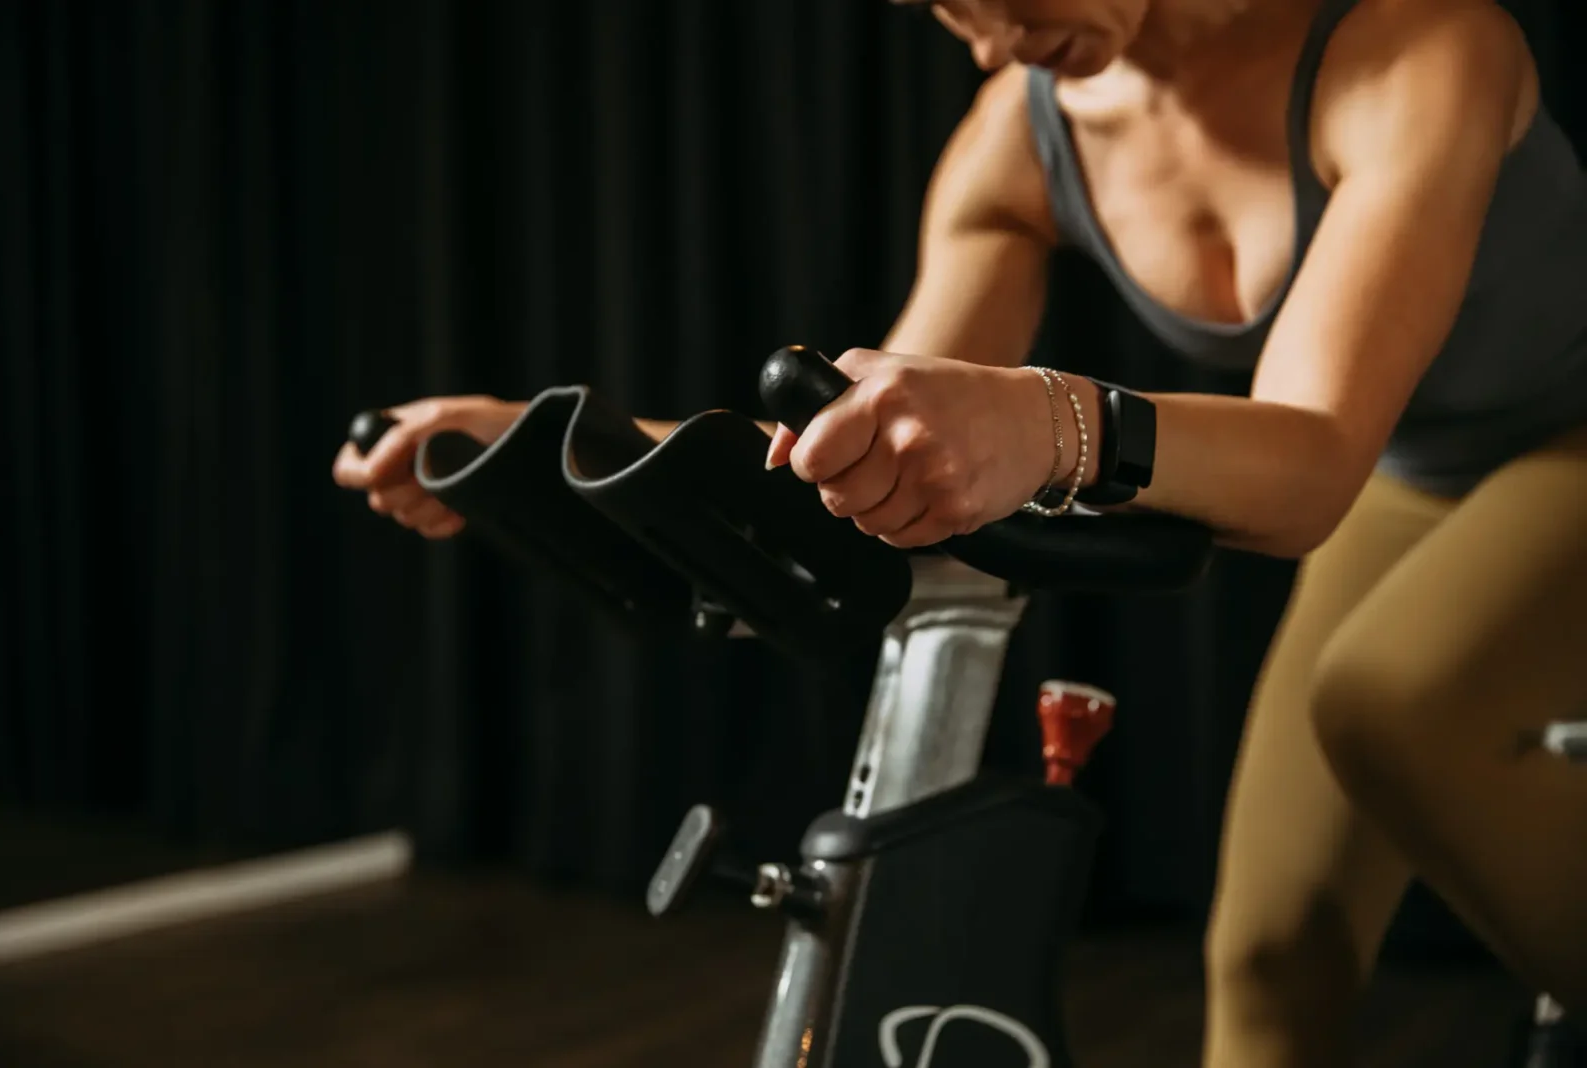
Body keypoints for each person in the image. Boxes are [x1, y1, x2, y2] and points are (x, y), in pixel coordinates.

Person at [334, 0, 1587, 1062]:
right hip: (1414, 472)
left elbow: (1308, 459)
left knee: (1384, 702)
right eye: (944, 9)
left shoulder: (1417, 49)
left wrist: (1047, 421)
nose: (987, 48)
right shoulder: (1020, 139)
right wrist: (550, 441)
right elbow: (852, 437)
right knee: (1267, 955)